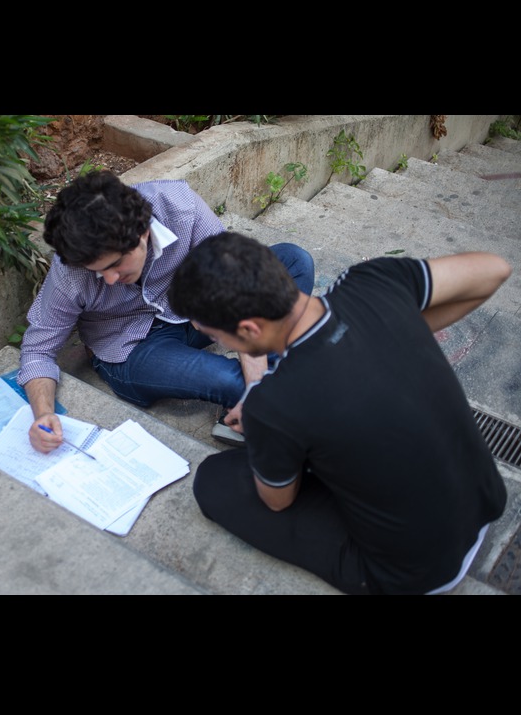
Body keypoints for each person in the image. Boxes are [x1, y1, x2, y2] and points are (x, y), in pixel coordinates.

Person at [167, 230, 511, 596]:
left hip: (419, 571)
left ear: (249, 328)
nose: (222, 344)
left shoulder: (275, 401)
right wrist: (401, 327)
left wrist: (266, 429)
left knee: (214, 480)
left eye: (218, 336)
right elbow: (495, 269)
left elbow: (277, 501)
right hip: (483, 500)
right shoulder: (373, 281)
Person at [17, 170, 315, 453]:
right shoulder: (71, 269)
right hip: (132, 348)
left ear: (143, 232)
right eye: (98, 271)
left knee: (293, 261)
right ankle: (264, 391)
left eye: (115, 265)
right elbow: (37, 350)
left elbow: (234, 281)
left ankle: (257, 395)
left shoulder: (181, 207)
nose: (109, 279)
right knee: (232, 382)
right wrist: (42, 414)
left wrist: (257, 388)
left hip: (195, 314)